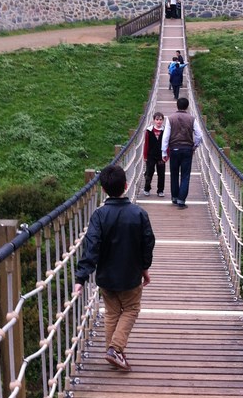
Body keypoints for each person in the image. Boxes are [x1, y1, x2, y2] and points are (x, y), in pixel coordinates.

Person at [73, 164, 155, 370]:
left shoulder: (99, 216)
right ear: (126, 186)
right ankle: (115, 349)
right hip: (130, 276)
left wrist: (81, 277)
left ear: (103, 189)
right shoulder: (139, 214)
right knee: (131, 309)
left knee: (111, 313)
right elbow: (148, 243)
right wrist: (145, 268)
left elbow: (91, 246)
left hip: (106, 278)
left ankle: (113, 353)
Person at [162, 97, 203, 209]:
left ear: (177, 106)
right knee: (185, 175)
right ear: (187, 106)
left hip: (174, 149)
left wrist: (164, 152)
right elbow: (199, 135)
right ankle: (181, 201)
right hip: (187, 149)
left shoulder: (170, 118)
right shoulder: (192, 119)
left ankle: (174, 198)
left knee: (174, 174)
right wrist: (195, 146)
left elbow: (166, 136)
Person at [143, 111, 165, 197]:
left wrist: (166, 155)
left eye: (160, 119)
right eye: (157, 119)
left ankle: (160, 190)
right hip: (150, 156)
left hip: (161, 156)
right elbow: (146, 144)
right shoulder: (149, 131)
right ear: (154, 120)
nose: (159, 121)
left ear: (163, 120)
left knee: (161, 173)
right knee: (149, 172)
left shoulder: (165, 131)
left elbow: (167, 143)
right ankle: (147, 188)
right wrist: (145, 156)